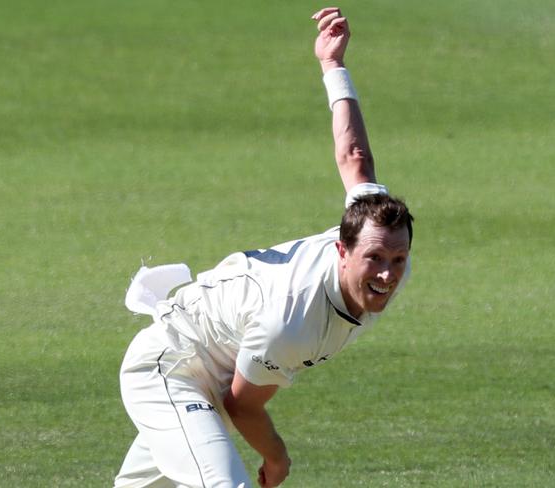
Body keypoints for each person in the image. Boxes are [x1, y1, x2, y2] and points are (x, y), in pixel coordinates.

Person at [114, 7, 414, 488]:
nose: (387, 273)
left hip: (212, 372)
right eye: (374, 259)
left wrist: (332, 65)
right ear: (342, 250)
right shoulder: (291, 319)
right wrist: (277, 460)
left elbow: (354, 155)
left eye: (398, 259)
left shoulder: (378, 226)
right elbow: (243, 404)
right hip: (170, 368)